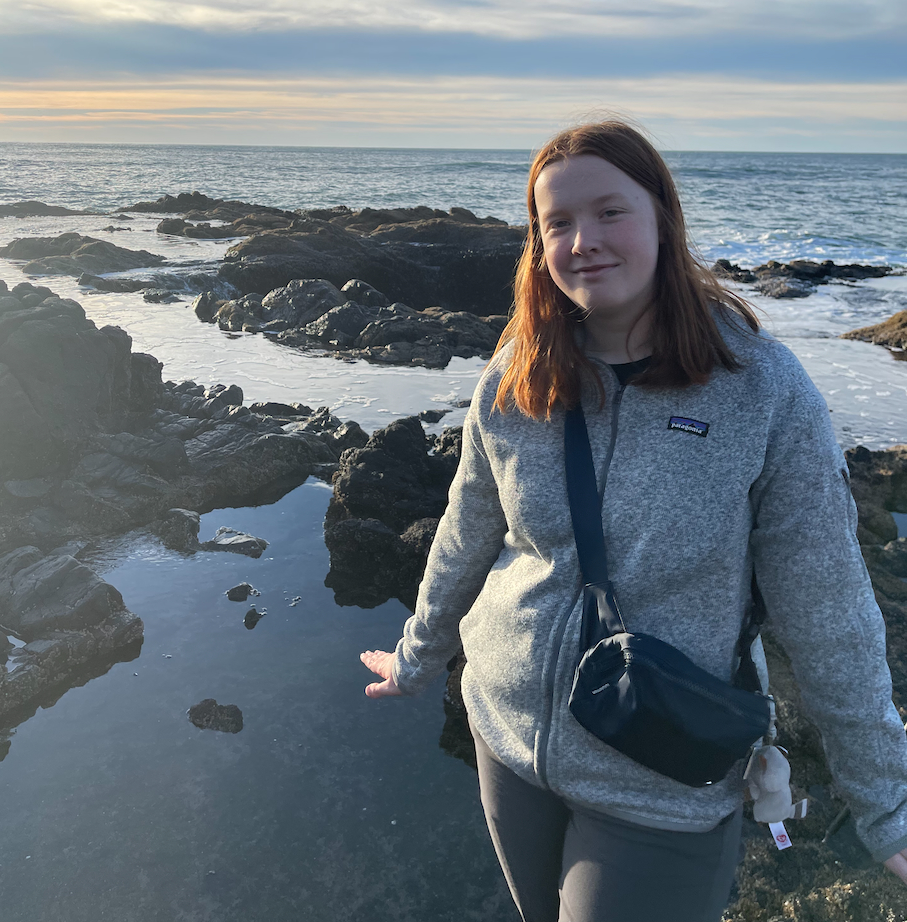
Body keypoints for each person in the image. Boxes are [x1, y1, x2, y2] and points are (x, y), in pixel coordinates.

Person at [360, 119, 907, 922]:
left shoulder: (759, 389)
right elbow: (468, 530)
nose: (584, 241)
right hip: (509, 740)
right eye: (558, 223)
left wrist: (886, 804)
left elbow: (828, 607)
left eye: (609, 212)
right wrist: (418, 656)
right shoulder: (518, 370)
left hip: (660, 773)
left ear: (661, 217)